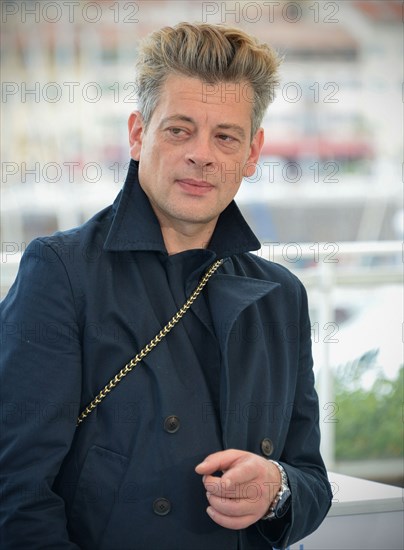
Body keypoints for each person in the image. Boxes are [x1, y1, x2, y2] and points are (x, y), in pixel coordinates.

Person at [0, 22, 332, 549]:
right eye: (179, 129)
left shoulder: (282, 295)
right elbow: (16, 493)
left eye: (225, 136)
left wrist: (278, 488)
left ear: (251, 152)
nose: (202, 154)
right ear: (138, 134)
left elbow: (311, 479)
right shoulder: (61, 273)